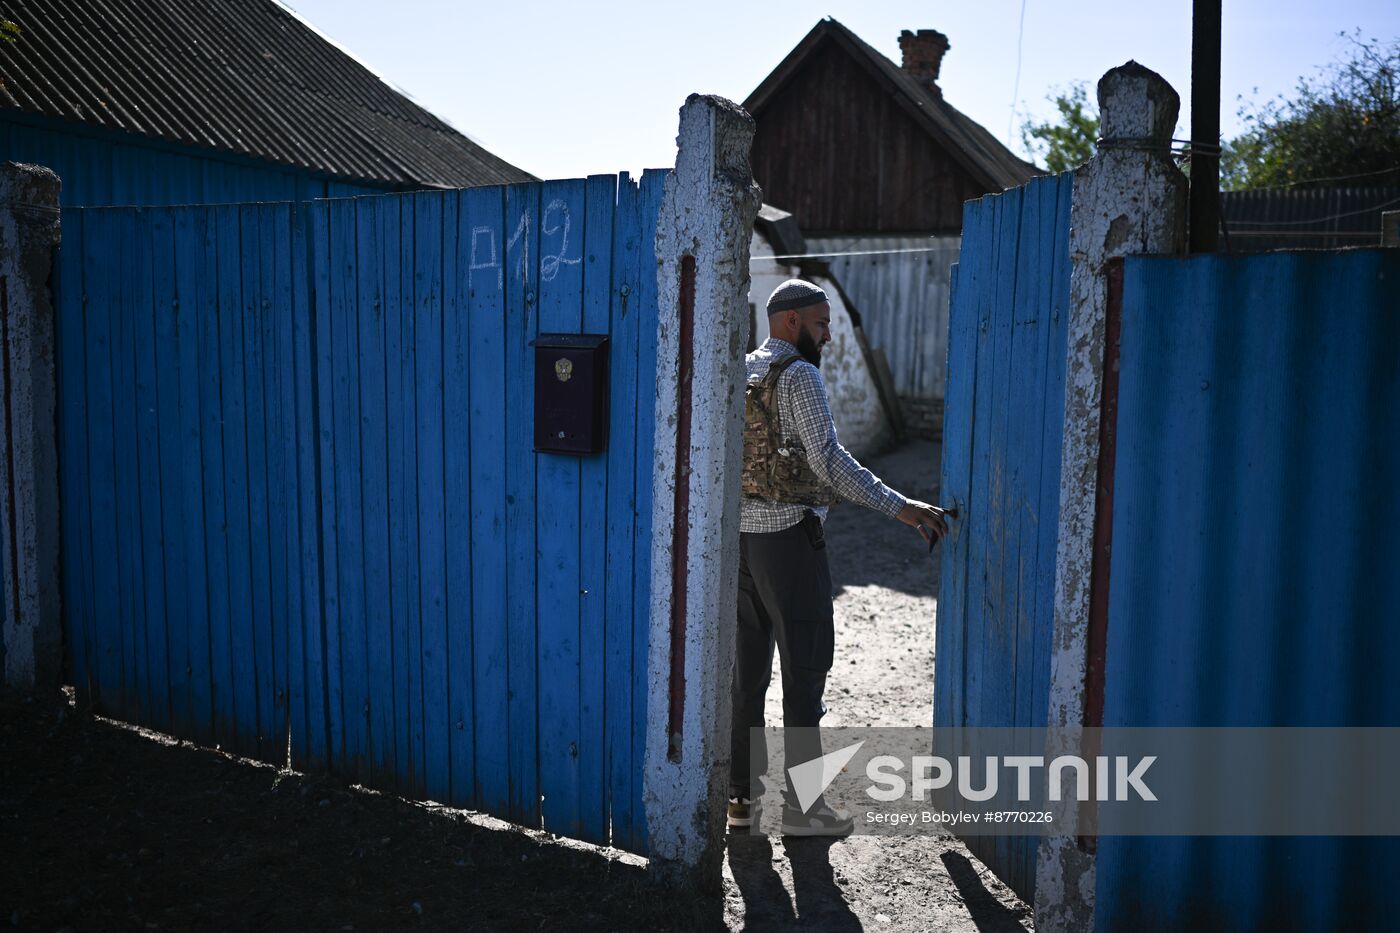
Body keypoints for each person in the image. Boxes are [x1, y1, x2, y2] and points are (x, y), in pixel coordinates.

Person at [729, 278, 949, 837]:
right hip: (788, 543)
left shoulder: (743, 368)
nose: (829, 335)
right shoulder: (799, 376)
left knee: (746, 679)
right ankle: (805, 813)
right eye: (822, 323)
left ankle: (741, 805)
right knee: (805, 678)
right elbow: (827, 460)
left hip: (740, 545)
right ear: (791, 321)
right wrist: (899, 506)